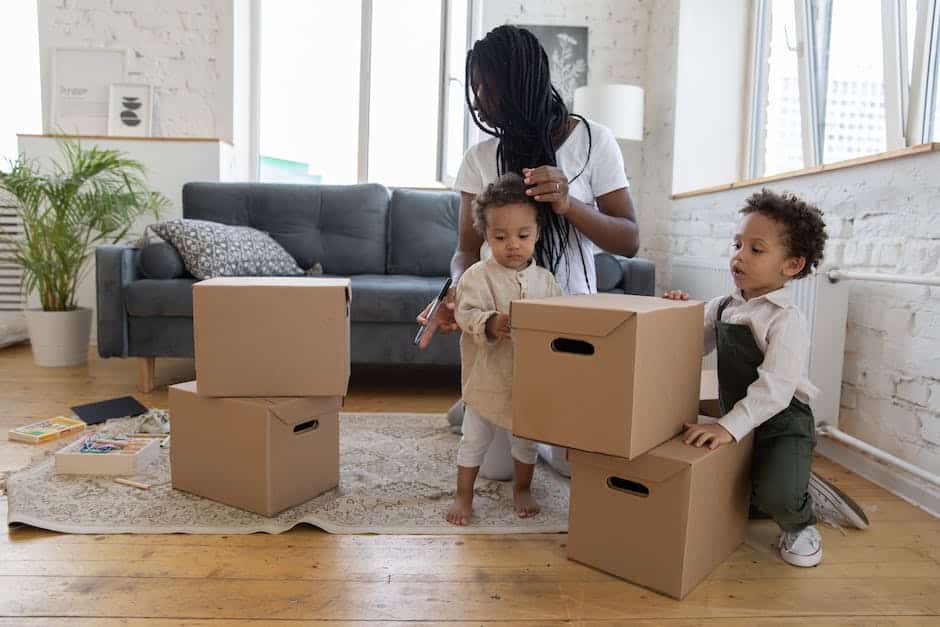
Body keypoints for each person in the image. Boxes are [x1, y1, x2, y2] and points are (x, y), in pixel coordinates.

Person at [416, 24, 640, 480]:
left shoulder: (594, 141)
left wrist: (568, 204)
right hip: (502, 326)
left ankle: (488, 407)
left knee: (575, 467)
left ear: (520, 80)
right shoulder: (481, 157)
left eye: (485, 87)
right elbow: (465, 251)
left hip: (570, 321)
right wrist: (457, 293)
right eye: (474, 89)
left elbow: (630, 239)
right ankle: (480, 401)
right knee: (497, 471)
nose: (477, 102)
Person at [664, 188, 868, 567]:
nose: (739, 256)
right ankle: (790, 484)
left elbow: (775, 389)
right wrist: (675, 312)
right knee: (733, 497)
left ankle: (801, 521)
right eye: (737, 244)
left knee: (777, 498)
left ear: (791, 265)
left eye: (756, 250)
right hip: (738, 418)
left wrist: (728, 427)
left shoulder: (785, 319)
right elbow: (690, 346)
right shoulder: (723, 306)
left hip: (782, 421)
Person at [446, 173, 563, 525]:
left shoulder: (546, 281)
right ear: (485, 236)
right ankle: (463, 495)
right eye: (501, 236)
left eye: (523, 236)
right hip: (487, 380)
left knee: (525, 443)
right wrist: (492, 322)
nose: (513, 244)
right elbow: (465, 314)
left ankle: (522, 488)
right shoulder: (477, 277)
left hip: (528, 384)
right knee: (473, 440)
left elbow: (560, 323)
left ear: (537, 233)